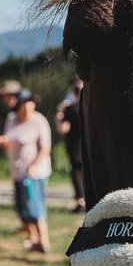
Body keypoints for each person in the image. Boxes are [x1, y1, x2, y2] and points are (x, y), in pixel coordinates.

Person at [0, 89, 55, 254]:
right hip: (17, 170)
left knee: (35, 207)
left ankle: (44, 242)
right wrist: (2, 142)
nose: (28, 107)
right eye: (24, 104)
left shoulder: (39, 121)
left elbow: (46, 148)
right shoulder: (12, 120)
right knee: (21, 208)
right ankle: (33, 238)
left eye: (30, 104)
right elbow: (9, 141)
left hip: (35, 173)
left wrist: (34, 166)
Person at [56, 78, 87, 211]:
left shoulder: (70, 109)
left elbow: (63, 129)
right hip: (89, 146)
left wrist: (58, 116)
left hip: (74, 146)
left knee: (77, 171)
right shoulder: (91, 108)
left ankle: (81, 201)